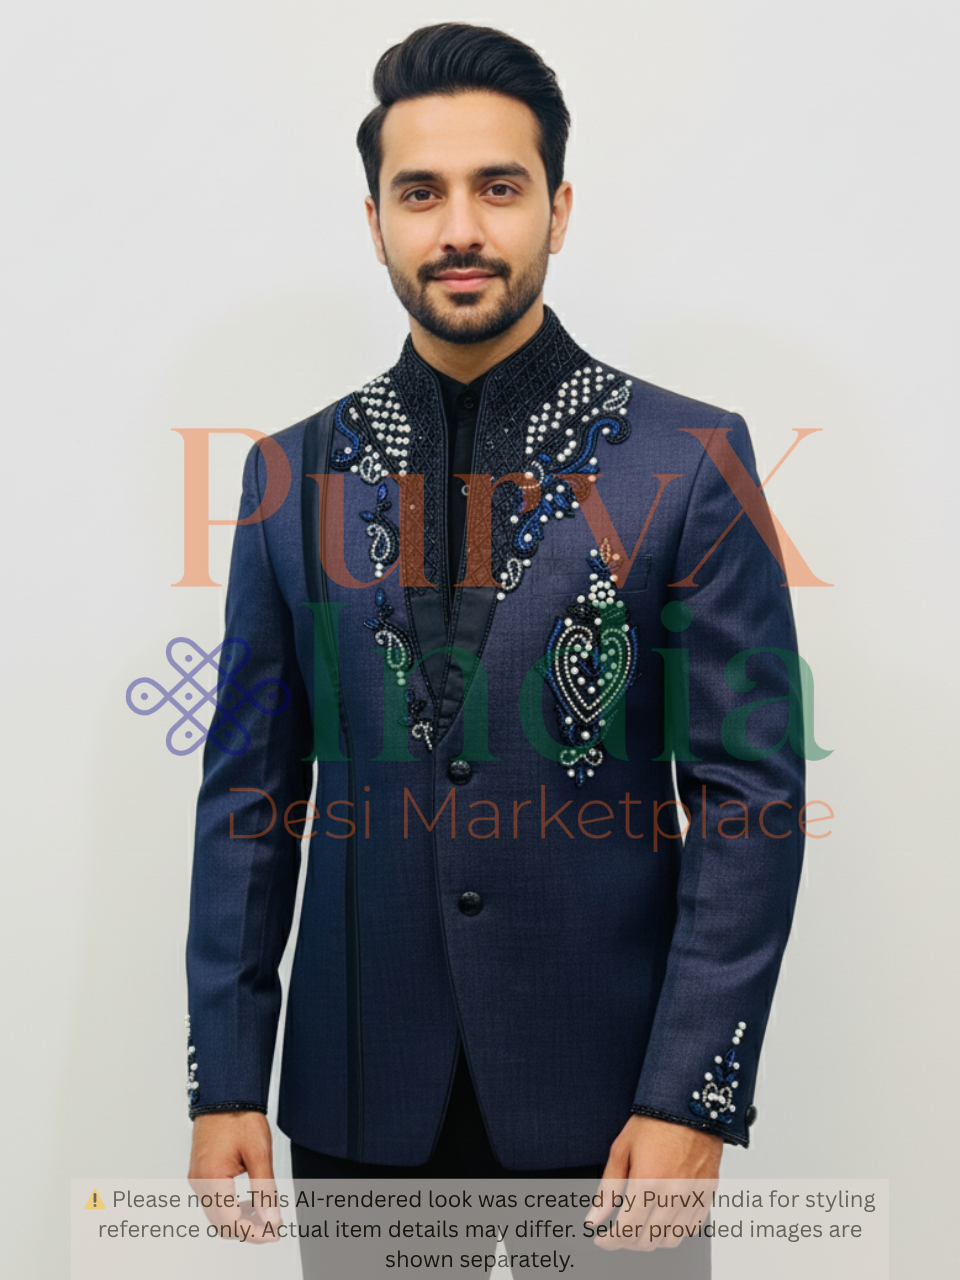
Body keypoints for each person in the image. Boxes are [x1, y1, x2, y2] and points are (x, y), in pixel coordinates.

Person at [185, 21, 806, 1274]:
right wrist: (227, 1074)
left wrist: (693, 1093)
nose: (459, 227)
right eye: (421, 192)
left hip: (614, 1111)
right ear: (376, 222)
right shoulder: (287, 474)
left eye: (499, 187)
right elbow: (252, 795)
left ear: (557, 210)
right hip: (359, 1097)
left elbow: (748, 797)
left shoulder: (689, 462)